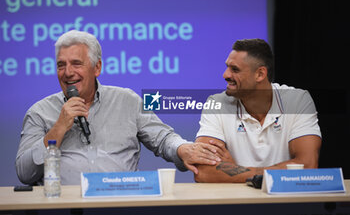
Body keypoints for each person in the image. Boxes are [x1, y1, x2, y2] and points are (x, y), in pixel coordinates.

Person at [16, 30, 221, 185]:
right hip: (63, 208)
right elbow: (25, 173)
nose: (68, 72)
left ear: (97, 67)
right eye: (61, 65)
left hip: (120, 204)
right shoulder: (39, 112)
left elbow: (163, 138)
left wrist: (182, 148)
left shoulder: (127, 100)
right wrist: (59, 128)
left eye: (76, 63)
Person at [194, 39, 322, 183]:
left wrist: (237, 169)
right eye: (227, 67)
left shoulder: (297, 100)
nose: (225, 75)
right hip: (235, 203)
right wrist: (270, 173)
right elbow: (203, 171)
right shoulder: (216, 103)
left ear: (260, 74)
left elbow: (307, 166)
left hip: (285, 202)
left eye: (235, 69)